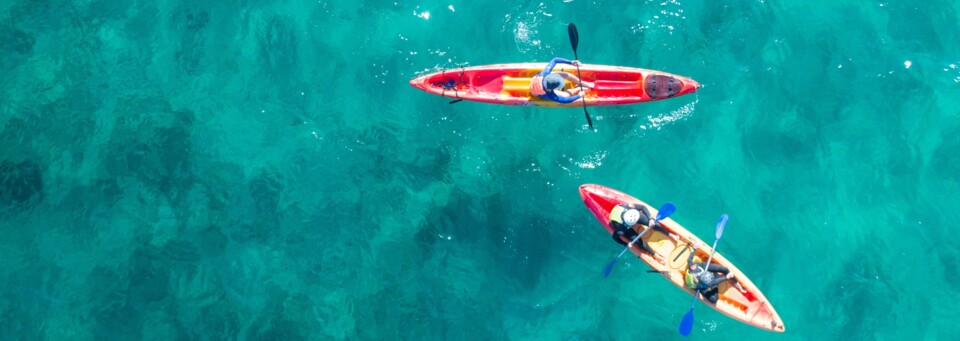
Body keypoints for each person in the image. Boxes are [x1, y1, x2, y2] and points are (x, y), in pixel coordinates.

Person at [609, 202, 675, 264]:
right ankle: (656, 255)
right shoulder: (621, 228)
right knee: (638, 242)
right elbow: (615, 237)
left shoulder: (629, 207)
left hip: (625, 213)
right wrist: (626, 243)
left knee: (654, 224)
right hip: (620, 222)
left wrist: (650, 219)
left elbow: (642, 207)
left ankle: (670, 234)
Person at [530, 57, 595, 104]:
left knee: (565, 75)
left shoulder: (544, 74)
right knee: (565, 95)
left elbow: (555, 59)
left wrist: (571, 62)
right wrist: (579, 95)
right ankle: (578, 89)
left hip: (538, 80)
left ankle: (583, 83)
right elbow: (564, 100)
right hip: (536, 91)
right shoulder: (550, 94)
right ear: (554, 89)